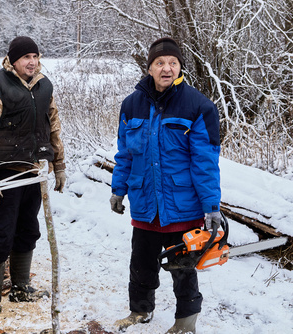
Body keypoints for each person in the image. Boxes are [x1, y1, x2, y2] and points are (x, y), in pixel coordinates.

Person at [110, 37, 221, 334]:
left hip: (182, 208)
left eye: (173, 63)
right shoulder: (131, 105)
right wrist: (118, 188)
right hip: (145, 205)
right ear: (149, 68)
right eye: (160, 63)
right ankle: (140, 311)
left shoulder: (198, 106)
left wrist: (211, 206)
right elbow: (124, 154)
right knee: (141, 266)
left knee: (183, 270)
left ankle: (185, 322)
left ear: (180, 67)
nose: (166, 68)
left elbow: (205, 162)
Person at [0, 36, 66, 315]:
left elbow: (54, 127)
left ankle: (21, 288)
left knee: (29, 230)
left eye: (36, 56)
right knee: (3, 234)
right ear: (13, 60)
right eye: (27, 57)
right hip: (6, 174)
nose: (33, 62)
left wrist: (58, 165)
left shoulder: (44, 85)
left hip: (35, 174)